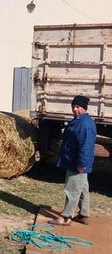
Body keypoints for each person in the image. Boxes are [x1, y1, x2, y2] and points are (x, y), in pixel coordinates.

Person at [49, 95, 96, 226]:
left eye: (78, 107)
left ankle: (66, 217)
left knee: (72, 189)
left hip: (77, 163)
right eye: (73, 107)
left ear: (84, 108)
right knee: (82, 188)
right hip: (74, 161)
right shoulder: (79, 120)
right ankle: (84, 214)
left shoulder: (85, 124)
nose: (75, 109)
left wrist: (82, 164)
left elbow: (86, 147)